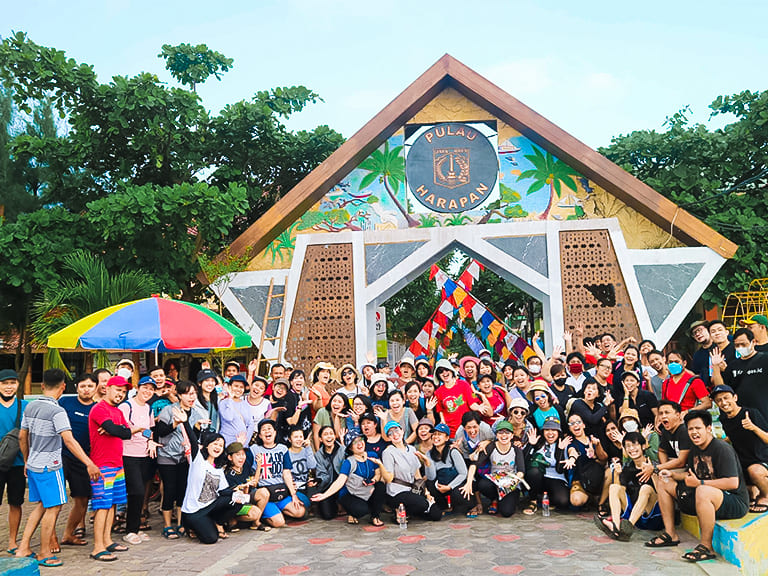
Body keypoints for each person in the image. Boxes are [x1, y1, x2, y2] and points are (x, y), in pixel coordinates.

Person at [16, 369, 100, 568]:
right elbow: (69, 440)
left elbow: (22, 436)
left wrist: (27, 460)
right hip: (50, 466)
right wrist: (89, 463)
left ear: (42, 385)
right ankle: (44, 552)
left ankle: (23, 547)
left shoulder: (30, 406)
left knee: (41, 506)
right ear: (63, 387)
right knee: (53, 508)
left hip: (34, 464)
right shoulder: (57, 411)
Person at [647, 411, 749, 563]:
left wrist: (700, 484)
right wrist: (672, 474)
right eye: (690, 429)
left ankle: (707, 547)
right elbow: (691, 475)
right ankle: (670, 534)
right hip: (706, 498)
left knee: (702, 490)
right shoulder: (695, 449)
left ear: (708, 428)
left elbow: (732, 483)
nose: (694, 432)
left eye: (698, 428)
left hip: (733, 501)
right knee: (664, 481)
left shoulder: (721, 449)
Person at [87, 375, 133, 562]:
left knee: (113, 503)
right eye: (118, 390)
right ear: (107, 388)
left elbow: (127, 433)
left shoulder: (118, 411)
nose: (121, 394)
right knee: (102, 505)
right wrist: (114, 429)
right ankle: (97, 546)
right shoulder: (99, 408)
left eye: (124, 392)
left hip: (117, 464)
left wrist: (115, 429)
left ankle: (107, 540)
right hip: (102, 464)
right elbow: (117, 430)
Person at [155, 380, 206, 539]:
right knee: (169, 490)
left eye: (194, 394)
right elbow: (160, 431)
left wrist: (197, 430)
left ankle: (181, 523)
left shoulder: (196, 413)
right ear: (179, 395)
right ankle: (167, 525)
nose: (192, 397)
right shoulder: (169, 410)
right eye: (188, 394)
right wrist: (175, 423)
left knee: (183, 490)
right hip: (167, 456)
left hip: (185, 458)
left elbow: (195, 438)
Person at [710, 384, 768, 513]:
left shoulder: (751, 413)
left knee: (755, 472)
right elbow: (732, 436)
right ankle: (753, 489)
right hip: (741, 461)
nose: (723, 402)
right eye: (719, 400)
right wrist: (715, 442)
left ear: (735, 397)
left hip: (761, 459)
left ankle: (766, 495)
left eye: (726, 398)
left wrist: (753, 428)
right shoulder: (724, 418)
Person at [595, 431, 662, 541]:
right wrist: (617, 474)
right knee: (614, 487)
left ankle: (627, 528)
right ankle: (617, 527)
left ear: (643, 446)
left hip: (653, 518)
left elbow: (661, 494)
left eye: (635, 444)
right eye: (628, 446)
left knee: (646, 488)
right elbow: (620, 492)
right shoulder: (628, 468)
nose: (631, 449)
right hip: (636, 519)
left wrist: (653, 473)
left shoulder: (653, 465)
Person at [311, 434, 386, 526]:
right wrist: (324, 495)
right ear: (350, 448)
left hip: (367, 490)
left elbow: (378, 474)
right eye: (355, 442)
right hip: (351, 493)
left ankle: (375, 517)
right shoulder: (348, 462)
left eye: (361, 440)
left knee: (380, 486)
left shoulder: (372, 455)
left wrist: (373, 480)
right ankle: (352, 512)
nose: (359, 444)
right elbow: (340, 481)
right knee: (361, 510)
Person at [118, 376, 158, 545]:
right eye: (145, 388)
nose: (148, 391)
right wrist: (137, 430)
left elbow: (148, 430)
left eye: (151, 389)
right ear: (138, 388)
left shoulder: (148, 408)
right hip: (128, 454)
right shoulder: (126, 406)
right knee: (136, 491)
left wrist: (150, 441)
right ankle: (130, 530)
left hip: (144, 454)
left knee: (141, 493)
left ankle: (135, 527)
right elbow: (121, 429)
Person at [58, 373, 96, 547]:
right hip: (62, 455)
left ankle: (68, 534)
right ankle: (50, 537)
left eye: (90, 386)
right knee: (55, 501)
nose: (86, 389)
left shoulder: (97, 408)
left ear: (96, 388)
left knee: (82, 500)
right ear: (76, 388)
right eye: (83, 386)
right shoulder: (65, 402)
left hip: (84, 459)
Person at [181, 433, 240, 543]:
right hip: (194, 510)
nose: (218, 447)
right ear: (207, 445)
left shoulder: (219, 470)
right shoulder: (198, 460)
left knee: (237, 501)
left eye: (221, 445)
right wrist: (184, 424)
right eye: (215, 444)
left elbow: (223, 491)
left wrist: (236, 494)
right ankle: (191, 526)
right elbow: (192, 439)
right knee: (211, 539)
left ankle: (217, 523)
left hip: (210, 506)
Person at [380, 421, 441, 521]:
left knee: (436, 514)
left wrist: (427, 493)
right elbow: (389, 478)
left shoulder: (412, 449)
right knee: (423, 504)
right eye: (390, 433)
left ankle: (407, 511)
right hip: (397, 492)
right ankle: (398, 510)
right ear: (388, 437)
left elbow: (417, 475)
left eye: (396, 430)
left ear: (402, 431)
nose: (395, 434)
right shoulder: (388, 452)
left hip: (413, 489)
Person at [251, 419, 305, 527]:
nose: (267, 431)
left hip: (281, 491)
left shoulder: (282, 449)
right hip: (265, 494)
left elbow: (286, 472)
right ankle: (264, 515)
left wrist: (293, 494)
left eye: (269, 429)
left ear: (275, 432)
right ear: (260, 435)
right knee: (279, 523)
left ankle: (277, 511)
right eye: (264, 430)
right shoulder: (254, 449)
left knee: (300, 512)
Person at [468, 420, 526, 517]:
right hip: (495, 483)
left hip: (510, 485)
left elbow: (521, 471)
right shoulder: (491, 447)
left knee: (506, 512)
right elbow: (475, 464)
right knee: (482, 484)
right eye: (501, 432)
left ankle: (504, 501)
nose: (504, 435)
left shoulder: (516, 449)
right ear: (496, 435)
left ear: (512, 435)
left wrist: (512, 482)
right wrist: (468, 483)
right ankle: (494, 499)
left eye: (507, 432)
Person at [711, 327, 768, 421]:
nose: (741, 347)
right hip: (741, 415)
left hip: (764, 412)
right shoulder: (733, 366)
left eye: (744, 344)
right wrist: (716, 367)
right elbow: (722, 388)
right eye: (737, 345)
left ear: (753, 342)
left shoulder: (765, 359)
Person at [0, 369, 28, 555]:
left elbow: (29, 435)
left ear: (18, 384)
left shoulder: (25, 406)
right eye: (4, 383)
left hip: (18, 463)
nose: (8, 387)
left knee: (15, 502)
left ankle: (12, 541)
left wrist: (27, 460)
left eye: (12, 383)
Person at [523, 418, 570, 515]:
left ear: (558, 432)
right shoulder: (538, 442)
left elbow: (560, 470)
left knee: (563, 501)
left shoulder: (563, 443)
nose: (550, 433)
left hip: (556, 477)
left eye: (554, 430)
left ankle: (546, 498)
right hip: (538, 477)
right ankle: (533, 500)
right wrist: (531, 445)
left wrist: (560, 450)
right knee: (534, 472)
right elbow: (523, 461)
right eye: (547, 430)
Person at [424, 423, 471, 516]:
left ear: (447, 438)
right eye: (434, 434)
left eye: (439, 434)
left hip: (455, 484)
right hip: (440, 484)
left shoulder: (453, 451)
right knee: (430, 484)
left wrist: (449, 487)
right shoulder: (429, 453)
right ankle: (443, 506)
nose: (436, 437)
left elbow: (463, 473)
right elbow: (431, 477)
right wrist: (428, 463)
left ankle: (463, 506)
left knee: (458, 494)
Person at [433, 359, 479, 437]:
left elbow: (472, 403)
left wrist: (480, 408)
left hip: (466, 428)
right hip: (450, 431)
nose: (444, 373)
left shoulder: (464, 384)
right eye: (441, 371)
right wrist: (442, 420)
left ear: (451, 371)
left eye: (446, 369)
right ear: (438, 375)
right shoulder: (438, 392)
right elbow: (440, 409)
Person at [313, 425, 345, 520]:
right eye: (325, 434)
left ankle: (342, 505)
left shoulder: (343, 450)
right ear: (320, 439)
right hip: (328, 487)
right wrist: (318, 480)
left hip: (344, 486)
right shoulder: (318, 455)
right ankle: (337, 506)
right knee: (327, 515)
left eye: (331, 434)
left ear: (335, 436)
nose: (329, 436)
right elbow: (322, 475)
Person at [286, 427, 317, 508]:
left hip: (306, 485)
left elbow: (312, 465)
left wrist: (308, 448)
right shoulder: (286, 453)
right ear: (289, 439)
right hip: (293, 487)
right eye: (296, 437)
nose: (299, 439)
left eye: (301, 436)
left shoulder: (306, 450)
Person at [218, 374, 250, 445]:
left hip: (242, 444)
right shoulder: (223, 403)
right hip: (227, 443)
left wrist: (244, 443)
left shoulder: (245, 404)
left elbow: (250, 424)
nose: (238, 389)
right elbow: (229, 417)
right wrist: (230, 399)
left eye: (241, 387)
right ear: (229, 387)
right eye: (236, 386)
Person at [194, 369, 220, 434]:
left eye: (212, 381)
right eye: (207, 380)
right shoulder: (194, 401)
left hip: (215, 436)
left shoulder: (218, 400)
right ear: (199, 383)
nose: (210, 383)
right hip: (199, 436)